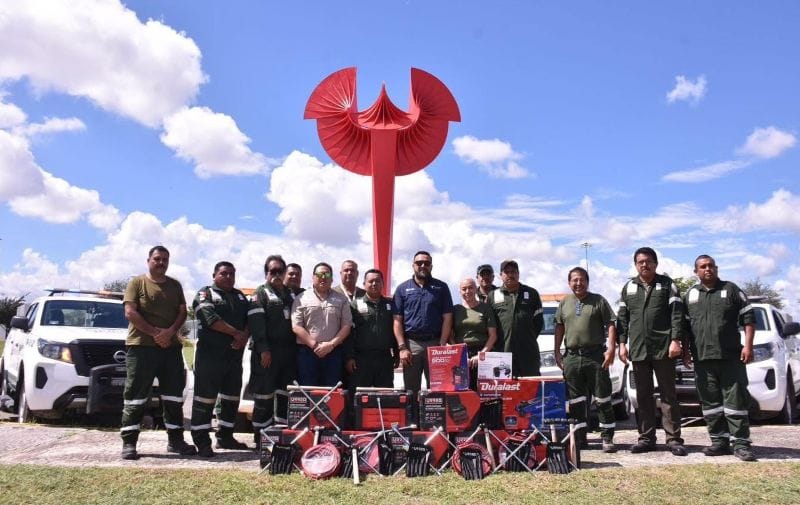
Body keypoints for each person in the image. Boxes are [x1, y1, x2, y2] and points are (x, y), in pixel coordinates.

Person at [120, 245, 196, 460]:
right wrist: (155, 333)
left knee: (173, 396)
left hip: (170, 349)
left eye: (165, 259)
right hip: (141, 348)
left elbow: (182, 312)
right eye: (157, 259)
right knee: (135, 397)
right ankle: (129, 442)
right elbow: (130, 312)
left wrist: (170, 332)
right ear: (149, 260)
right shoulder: (137, 283)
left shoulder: (174, 285)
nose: (161, 262)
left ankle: (176, 441)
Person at [682, 255, 757, 461]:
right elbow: (685, 327)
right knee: (711, 403)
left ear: (716, 268)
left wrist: (748, 346)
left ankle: (741, 444)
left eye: (711, 266)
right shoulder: (690, 295)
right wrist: (686, 352)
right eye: (703, 266)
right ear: (696, 271)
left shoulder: (731, 289)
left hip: (730, 357)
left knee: (736, 402)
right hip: (702, 359)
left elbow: (749, 318)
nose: (708, 269)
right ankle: (719, 442)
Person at [617, 247, 687, 456]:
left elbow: (677, 315)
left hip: (664, 348)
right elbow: (622, 319)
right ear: (635, 265)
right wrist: (622, 344)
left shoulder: (667, 285)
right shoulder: (629, 287)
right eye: (640, 262)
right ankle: (646, 438)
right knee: (643, 396)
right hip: (639, 350)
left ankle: (673, 439)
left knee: (668, 395)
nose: (644, 265)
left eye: (648, 261)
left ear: (656, 263)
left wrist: (676, 340)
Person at [554, 267, 618, 453]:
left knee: (602, 398)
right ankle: (580, 438)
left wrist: (611, 348)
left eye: (582, 279)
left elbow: (611, 324)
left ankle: (607, 438)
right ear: (569, 283)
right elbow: (559, 327)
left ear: (587, 282)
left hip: (595, 356)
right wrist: (557, 351)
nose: (578, 283)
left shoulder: (598, 300)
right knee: (576, 401)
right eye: (574, 280)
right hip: (572, 357)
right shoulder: (564, 303)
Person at [190, 261, 250, 457]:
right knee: (205, 400)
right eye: (224, 273)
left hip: (233, 358)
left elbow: (250, 318)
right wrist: (236, 334)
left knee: (231, 398)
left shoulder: (240, 296)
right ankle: (201, 441)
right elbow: (210, 319)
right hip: (210, 358)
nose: (228, 277)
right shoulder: (205, 293)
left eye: (232, 274)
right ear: (214, 275)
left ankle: (225, 436)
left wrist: (244, 336)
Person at [248, 255, 296, 442]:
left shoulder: (291, 294)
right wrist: (263, 349)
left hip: (288, 353)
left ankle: (281, 437)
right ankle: (260, 437)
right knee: (264, 395)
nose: (276, 274)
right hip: (267, 352)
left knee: (284, 395)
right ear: (266, 273)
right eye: (272, 271)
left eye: (280, 271)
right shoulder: (260, 294)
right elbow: (256, 324)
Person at [393, 251, 454, 394]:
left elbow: (448, 317)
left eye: (426, 263)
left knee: (438, 390)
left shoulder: (442, 287)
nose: (422, 266)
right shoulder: (402, 289)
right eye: (419, 263)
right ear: (413, 265)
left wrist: (442, 344)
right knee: (411, 391)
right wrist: (402, 348)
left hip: (435, 344)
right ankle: (413, 410)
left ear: (431, 266)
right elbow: (397, 321)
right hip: (411, 345)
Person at [291, 262, 353, 386]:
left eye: (327, 274)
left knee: (331, 392)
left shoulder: (342, 299)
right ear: (313, 277)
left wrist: (331, 345)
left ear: (332, 279)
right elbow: (296, 326)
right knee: (308, 390)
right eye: (319, 274)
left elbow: (347, 326)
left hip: (333, 353)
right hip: (307, 353)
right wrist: (314, 345)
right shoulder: (301, 298)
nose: (323, 278)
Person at [489, 260, 543, 377]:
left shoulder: (532, 293)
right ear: (501, 275)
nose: (510, 275)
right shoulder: (492, 296)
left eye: (513, 271)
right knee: (505, 387)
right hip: (502, 354)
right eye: (506, 272)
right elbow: (489, 326)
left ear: (518, 274)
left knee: (531, 386)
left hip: (528, 353)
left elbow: (538, 323)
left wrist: (526, 338)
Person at [344, 269, 397, 388]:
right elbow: (348, 333)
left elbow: (395, 330)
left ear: (383, 284)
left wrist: (397, 353)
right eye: (370, 281)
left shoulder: (391, 305)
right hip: (361, 359)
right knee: (359, 395)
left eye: (378, 281)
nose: (374, 284)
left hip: (384, 359)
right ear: (364, 284)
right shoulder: (354, 306)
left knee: (385, 394)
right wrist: (349, 357)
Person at [452, 277, 498, 390]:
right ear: (459, 291)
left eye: (470, 288)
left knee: (485, 391)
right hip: (461, 353)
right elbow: (450, 336)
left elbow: (493, 336)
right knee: (462, 390)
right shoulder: (455, 309)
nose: (467, 291)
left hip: (483, 351)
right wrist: (460, 355)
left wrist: (481, 355)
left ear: (476, 289)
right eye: (464, 289)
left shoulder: (485, 308)